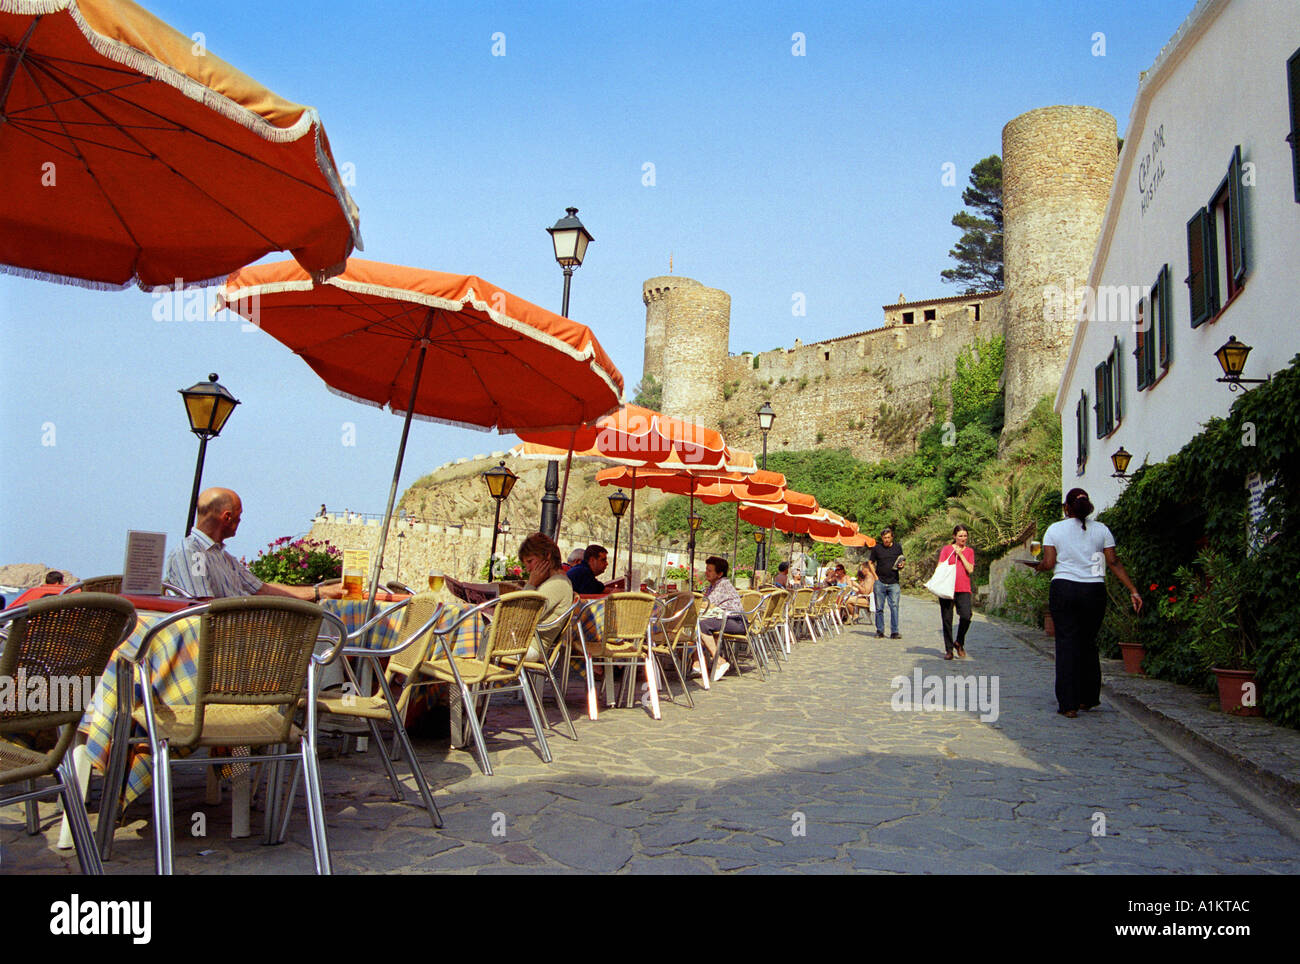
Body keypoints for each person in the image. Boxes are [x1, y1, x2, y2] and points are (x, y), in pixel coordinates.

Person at [1024, 488, 1142, 718]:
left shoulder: (1055, 530)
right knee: (1088, 642)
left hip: (1064, 589)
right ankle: (1088, 698)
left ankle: (1068, 704)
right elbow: (1114, 562)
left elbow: (1049, 562)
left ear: (1066, 508)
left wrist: (1038, 566)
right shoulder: (1102, 530)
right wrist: (1133, 590)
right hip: (1094, 591)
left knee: (1066, 643)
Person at [166, 487, 345, 601]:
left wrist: (321, 592)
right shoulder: (193, 553)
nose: (241, 520)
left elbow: (261, 589)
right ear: (227, 517)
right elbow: (202, 608)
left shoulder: (221, 555)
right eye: (239, 515)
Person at [518, 532, 576, 661]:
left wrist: (531, 584)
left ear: (547, 556)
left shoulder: (558, 584)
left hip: (529, 646)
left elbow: (523, 616)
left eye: (530, 561)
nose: (527, 569)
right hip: (524, 643)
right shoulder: (554, 582)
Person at [695, 556, 745, 682]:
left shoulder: (722, 585)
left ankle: (719, 661)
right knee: (696, 625)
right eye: (706, 569)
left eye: (710, 570)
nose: (706, 572)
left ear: (720, 574)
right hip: (724, 619)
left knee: (702, 625)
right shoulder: (712, 586)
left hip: (736, 621)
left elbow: (706, 604)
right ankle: (697, 661)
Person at [938, 525, 976, 660]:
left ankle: (959, 641)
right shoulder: (946, 549)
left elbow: (970, 569)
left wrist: (960, 554)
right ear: (954, 536)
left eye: (965, 536)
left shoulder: (969, 551)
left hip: (963, 588)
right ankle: (949, 650)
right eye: (960, 536)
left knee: (966, 616)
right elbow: (940, 566)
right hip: (947, 589)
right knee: (947, 620)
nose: (963, 538)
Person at [868, 527, 905, 638]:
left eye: (888, 537)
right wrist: (875, 577)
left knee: (894, 607)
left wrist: (902, 565)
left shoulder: (897, 547)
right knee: (879, 608)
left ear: (892, 537)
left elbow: (902, 560)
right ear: (882, 538)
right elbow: (870, 562)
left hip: (894, 582)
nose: (886, 540)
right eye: (884, 538)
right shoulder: (877, 548)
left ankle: (894, 631)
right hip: (880, 582)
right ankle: (880, 631)